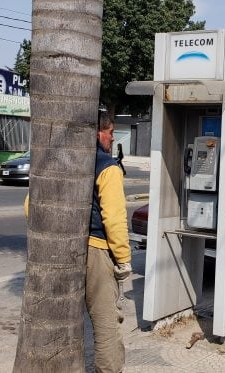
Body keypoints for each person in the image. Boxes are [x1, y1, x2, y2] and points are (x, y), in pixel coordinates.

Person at [87, 111, 131, 372]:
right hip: (97, 251)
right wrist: (124, 259)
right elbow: (114, 218)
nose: (113, 138)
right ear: (98, 133)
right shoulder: (108, 167)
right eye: (111, 132)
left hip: (62, 248)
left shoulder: (63, 162)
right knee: (107, 324)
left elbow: (29, 206)